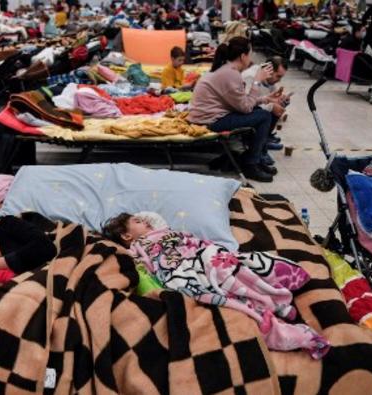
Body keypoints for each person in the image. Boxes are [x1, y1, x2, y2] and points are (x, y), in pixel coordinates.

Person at [101, 212, 330, 359]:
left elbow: (196, 242)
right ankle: (270, 311)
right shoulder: (137, 246)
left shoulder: (169, 231)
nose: (147, 221)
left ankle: (275, 297)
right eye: (138, 222)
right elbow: (143, 265)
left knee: (226, 262)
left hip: (201, 255)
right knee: (209, 284)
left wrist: (205, 250)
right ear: (127, 235)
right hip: (181, 270)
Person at [188, 37, 283, 182]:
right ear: (243, 56)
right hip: (209, 121)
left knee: (261, 112)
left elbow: (240, 101)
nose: (250, 58)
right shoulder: (230, 73)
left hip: (211, 116)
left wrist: (265, 99)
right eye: (249, 54)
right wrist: (257, 81)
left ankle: (256, 160)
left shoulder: (227, 70)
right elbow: (244, 107)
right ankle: (251, 164)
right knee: (264, 116)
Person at [242, 56, 289, 157]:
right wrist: (271, 106)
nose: (279, 80)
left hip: (252, 108)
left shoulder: (268, 78)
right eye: (278, 76)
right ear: (269, 70)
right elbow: (245, 105)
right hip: (240, 113)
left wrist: (280, 100)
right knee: (266, 114)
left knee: (278, 106)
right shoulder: (251, 77)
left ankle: (263, 142)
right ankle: (255, 152)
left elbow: (269, 98)